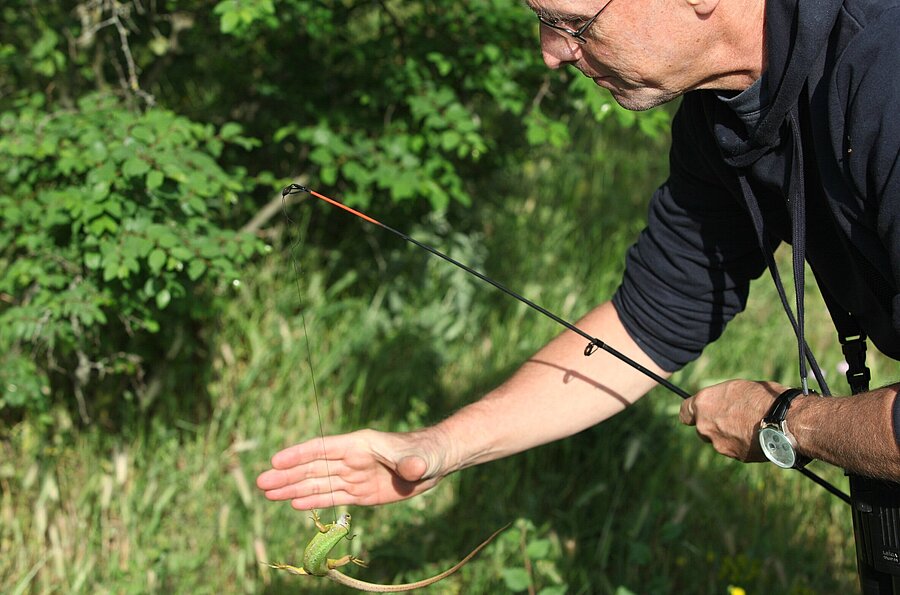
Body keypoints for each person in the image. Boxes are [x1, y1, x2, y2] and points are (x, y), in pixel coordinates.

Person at [257, 0, 900, 513]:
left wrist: (789, 421)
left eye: (571, 24)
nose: (551, 55)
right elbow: (645, 325)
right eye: (544, 23)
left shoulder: (884, 75)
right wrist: (439, 446)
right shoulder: (721, 120)